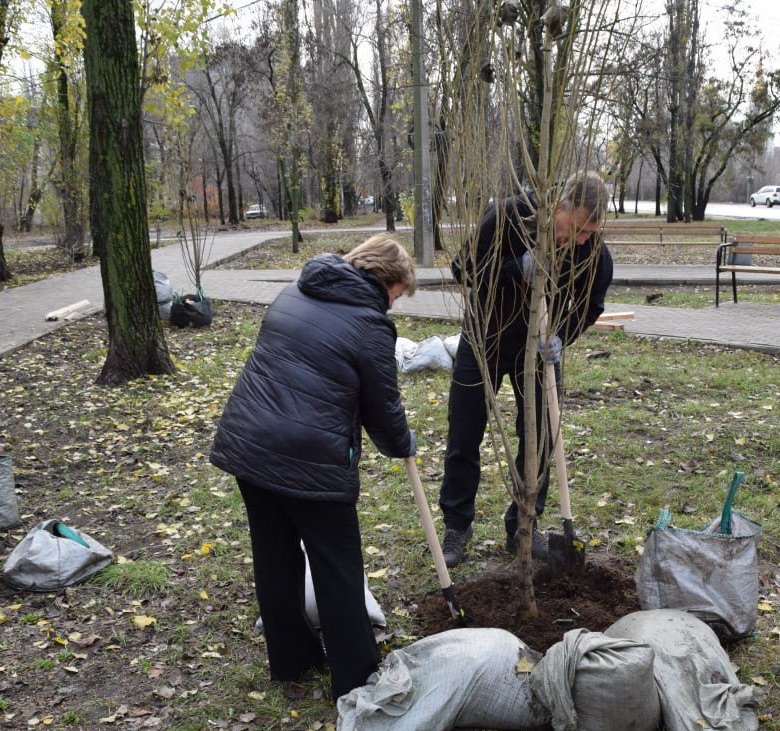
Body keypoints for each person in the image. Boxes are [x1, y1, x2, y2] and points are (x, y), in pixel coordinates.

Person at [209, 234, 416, 699]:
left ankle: (292, 661)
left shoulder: (294, 292)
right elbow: (382, 409)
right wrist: (403, 443)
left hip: (249, 443)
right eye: (397, 295)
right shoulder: (370, 325)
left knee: (275, 555)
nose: (393, 305)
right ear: (385, 280)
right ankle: (356, 674)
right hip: (310, 459)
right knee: (337, 564)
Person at [439, 171, 614, 568]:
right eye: (578, 229)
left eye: (591, 233)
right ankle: (457, 525)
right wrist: (514, 268)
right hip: (484, 338)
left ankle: (523, 524)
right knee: (465, 430)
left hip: (536, 350)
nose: (582, 240)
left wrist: (562, 335)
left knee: (540, 436)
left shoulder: (592, 250)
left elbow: (591, 304)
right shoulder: (508, 216)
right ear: (559, 206)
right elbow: (463, 269)